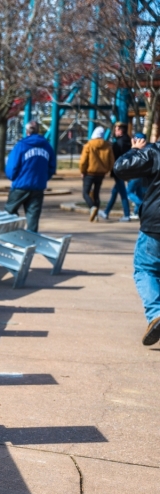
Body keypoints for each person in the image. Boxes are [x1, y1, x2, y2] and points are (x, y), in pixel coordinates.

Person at [113, 133, 160, 344]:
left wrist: (135, 150)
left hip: (155, 223)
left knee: (145, 268)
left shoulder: (155, 151)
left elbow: (121, 167)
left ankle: (156, 313)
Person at [4, 120, 56, 233]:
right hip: (38, 186)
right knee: (33, 215)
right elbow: (52, 167)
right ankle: (30, 240)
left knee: (9, 210)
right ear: (38, 131)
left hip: (21, 185)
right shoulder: (47, 146)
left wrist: (13, 177)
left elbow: (12, 166)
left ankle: (14, 233)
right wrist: (43, 178)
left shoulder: (21, 145)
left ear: (27, 131)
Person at [80, 126, 114, 222]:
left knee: (85, 192)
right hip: (101, 174)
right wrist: (106, 170)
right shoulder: (107, 146)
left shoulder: (89, 145)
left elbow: (83, 161)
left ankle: (92, 208)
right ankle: (95, 216)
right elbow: (111, 161)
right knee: (96, 194)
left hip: (89, 173)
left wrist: (83, 171)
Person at [102, 122, 132, 221]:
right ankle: (106, 212)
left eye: (116, 130)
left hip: (119, 170)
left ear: (120, 130)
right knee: (115, 191)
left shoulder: (118, 143)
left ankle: (127, 215)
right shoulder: (128, 141)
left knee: (122, 193)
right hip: (125, 170)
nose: (115, 131)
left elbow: (114, 157)